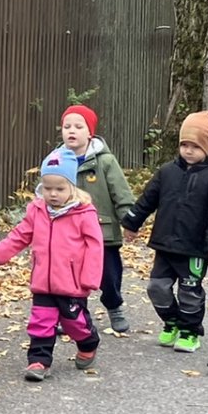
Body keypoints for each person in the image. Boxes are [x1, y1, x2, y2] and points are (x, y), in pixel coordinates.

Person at [0, 148, 104, 380]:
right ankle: (38, 362)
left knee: (74, 323)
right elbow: (20, 235)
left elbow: (95, 246)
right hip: (43, 281)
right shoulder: (37, 210)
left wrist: (90, 278)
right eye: (47, 188)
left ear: (72, 187)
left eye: (60, 189)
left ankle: (88, 343)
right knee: (41, 322)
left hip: (72, 283)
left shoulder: (84, 213)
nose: (53, 194)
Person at [123, 110, 208, 354]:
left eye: (195, 146)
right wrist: (132, 222)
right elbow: (147, 199)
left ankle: (190, 331)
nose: (188, 151)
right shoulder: (167, 171)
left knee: (189, 292)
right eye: (184, 145)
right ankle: (172, 321)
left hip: (194, 249)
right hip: (165, 245)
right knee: (156, 287)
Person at [58, 103, 137, 335]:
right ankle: (74, 315)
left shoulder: (105, 161)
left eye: (78, 126)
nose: (72, 131)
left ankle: (114, 306)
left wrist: (129, 221)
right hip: (68, 233)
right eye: (67, 127)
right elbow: (46, 192)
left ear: (89, 133)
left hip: (103, 233)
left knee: (108, 276)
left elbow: (121, 193)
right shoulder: (57, 159)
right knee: (71, 277)